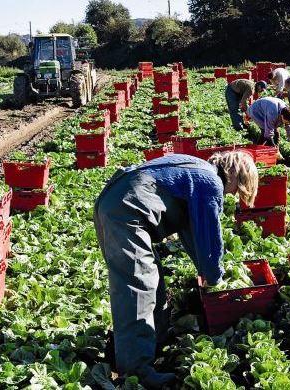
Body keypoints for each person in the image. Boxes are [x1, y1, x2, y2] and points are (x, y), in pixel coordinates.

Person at [93, 152, 258, 388]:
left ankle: (153, 343)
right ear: (234, 177)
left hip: (114, 199)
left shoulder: (198, 170)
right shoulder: (210, 182)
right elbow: (209, 237)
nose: (230, 195)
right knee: (137, 288)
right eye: (234, 190)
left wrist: (206, 270)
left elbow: (192, 233)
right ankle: (136, 371)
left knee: (151, 278)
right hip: (125, 210)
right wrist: (215, 278)